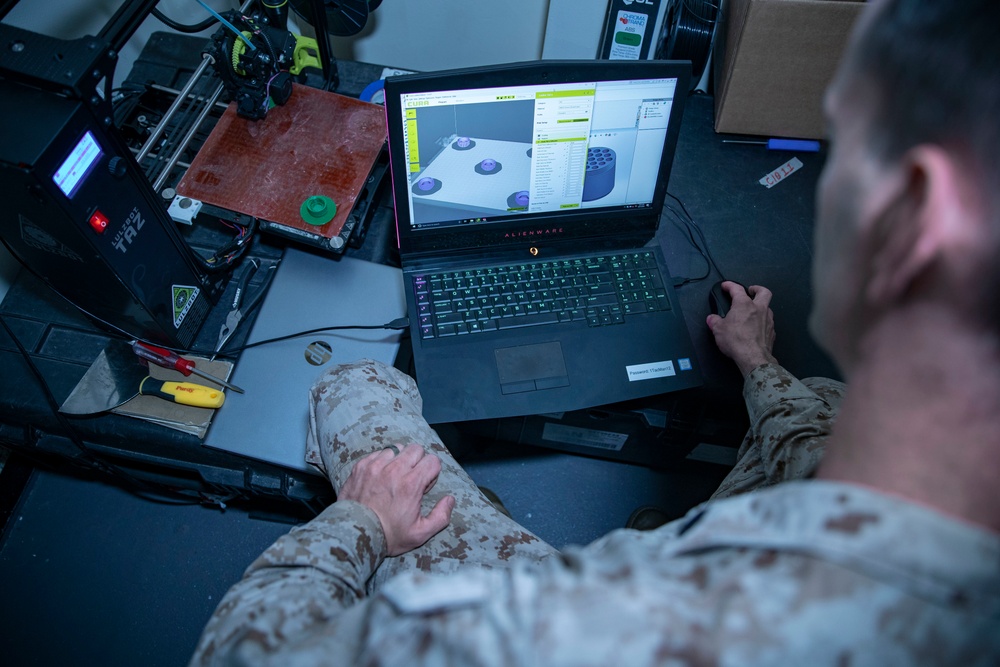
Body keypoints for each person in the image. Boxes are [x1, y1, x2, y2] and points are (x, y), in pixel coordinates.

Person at [190, 1, 1000, 663]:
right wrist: (759, 365)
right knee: (815, 397)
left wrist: (363, 523)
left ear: (915, 214)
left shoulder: (556, 629)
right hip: (718, 532)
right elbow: (807, 442)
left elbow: (241, 654)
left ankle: (455, 506)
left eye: (843, 140)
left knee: (354, 387)